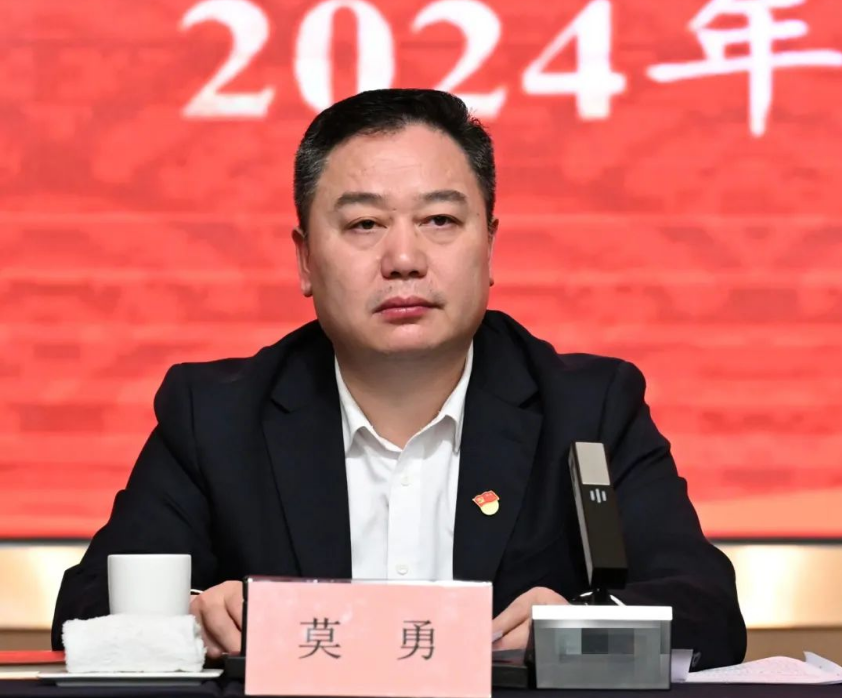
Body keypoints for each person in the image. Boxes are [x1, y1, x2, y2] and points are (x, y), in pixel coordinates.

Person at [52, 88, 746, 669]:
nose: (404, 258)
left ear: (490, 245)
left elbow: (709, 615)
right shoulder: (215, 417)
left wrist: (575, 634)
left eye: (440, 219)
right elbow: (83, 612)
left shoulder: (589, 409)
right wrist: (192, 618)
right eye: (364, 224)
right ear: (304, 260)